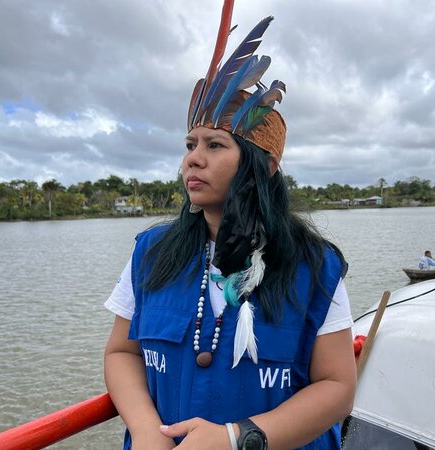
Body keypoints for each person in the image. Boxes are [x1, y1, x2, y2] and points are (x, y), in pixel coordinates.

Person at [103, 5, 356, 450]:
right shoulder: (152, 252)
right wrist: (145, 429)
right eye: (189, 144)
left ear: (266, 166)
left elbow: (336, 386)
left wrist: (238, 437)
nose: (191, 160)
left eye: (215, 145)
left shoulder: (314, 264)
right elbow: (122, 353)